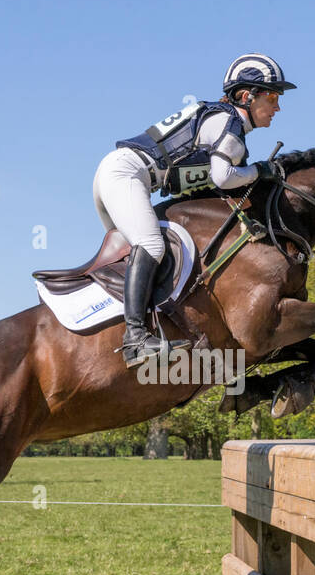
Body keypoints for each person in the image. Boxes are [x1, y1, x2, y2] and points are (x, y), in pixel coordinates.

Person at [95, 53, 296, 368]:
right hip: (127, 174)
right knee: (150, 245)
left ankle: (123, 330)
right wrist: (260, 171)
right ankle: (135, 337)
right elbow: (222, 176)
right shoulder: (229, 122)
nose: (277, 107)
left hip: (124, 174)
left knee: (136, 256)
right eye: (272, 97)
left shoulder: (222, 121)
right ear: (247, 96)